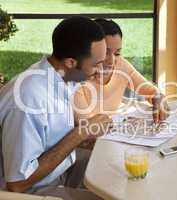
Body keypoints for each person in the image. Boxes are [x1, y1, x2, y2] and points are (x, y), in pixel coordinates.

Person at [0, 16, 111, 199]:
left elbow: (53, 134)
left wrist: (84, 135)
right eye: (96, 64)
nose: (101, 70)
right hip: (32, 192)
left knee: (116, 169)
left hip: (59, 171)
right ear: (70, 62)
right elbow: (18, 183)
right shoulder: (29, 100)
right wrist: (80, 134)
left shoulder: (62, 76)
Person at [73, 18, 169, 123]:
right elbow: (86, 127)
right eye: (105, 52)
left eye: (117, 53)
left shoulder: (121, 65)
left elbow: (151, 91)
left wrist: (158, 98)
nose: (111, 61)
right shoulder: (77, 81)